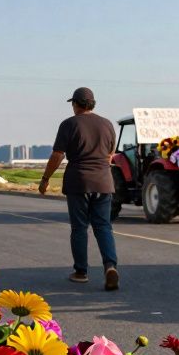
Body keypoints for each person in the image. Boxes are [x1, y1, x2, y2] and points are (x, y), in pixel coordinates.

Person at [39, 87, 119, 290]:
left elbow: (58, 155)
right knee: (103, 227)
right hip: (103, 181)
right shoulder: (107, 124)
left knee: (79, 228)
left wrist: (45, 178)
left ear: (75, 104)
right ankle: (110, 266)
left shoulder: (69, 124)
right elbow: (110, 155)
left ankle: (81, 272)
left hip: (79, 182)